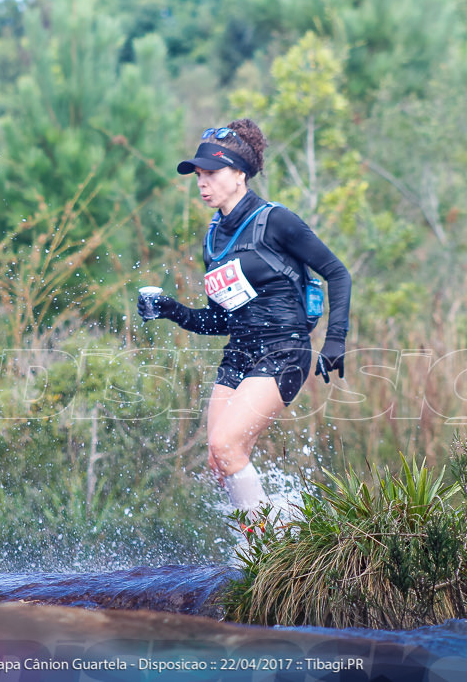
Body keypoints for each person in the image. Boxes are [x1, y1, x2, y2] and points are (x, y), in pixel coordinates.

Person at [138, 118, 351, 528]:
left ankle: (262, 550)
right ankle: (288, 523)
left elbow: (338, 273)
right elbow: (217, 319)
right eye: (198, 176)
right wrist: (170, 309)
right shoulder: (213, 238)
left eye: (212, 174)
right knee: (220, 462)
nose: (203, 184)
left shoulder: (277, 221)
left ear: (239, 174)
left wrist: (335, 341)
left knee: (227, 445)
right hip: (239, 353)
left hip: (285, 350)